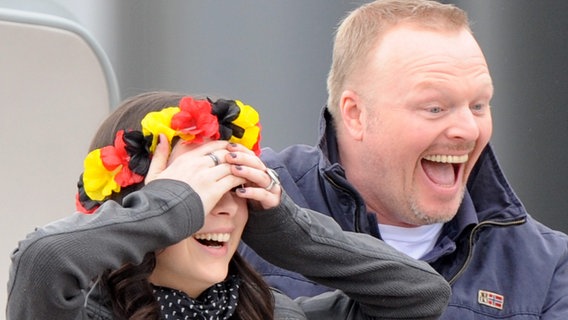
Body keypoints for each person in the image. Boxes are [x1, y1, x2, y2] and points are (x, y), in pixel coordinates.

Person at [239, 0, 568, 319]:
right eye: (435, 108)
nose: (469, 129)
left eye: (479, 105)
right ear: (356, 114)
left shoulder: (546, 266)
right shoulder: (242, 205)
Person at [6, 91, 450, 320]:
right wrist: (170, 207)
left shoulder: (280, 314)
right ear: (136, 202)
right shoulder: (78, 313)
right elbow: (43, 260)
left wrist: (283, 228)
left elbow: (418, 294)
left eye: (232, 184)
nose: (219, 205)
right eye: (195, 185)